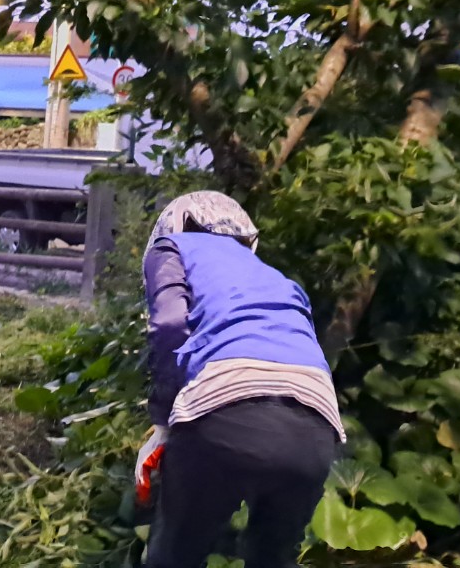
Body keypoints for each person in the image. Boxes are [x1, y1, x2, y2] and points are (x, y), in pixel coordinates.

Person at [140, 191, 344, 568]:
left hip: (222, 412)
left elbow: (170, 324)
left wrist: (162, 419)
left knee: (175, 555)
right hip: (316, 427)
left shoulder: (172, 247)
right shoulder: (277, 279)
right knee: (272, 558)